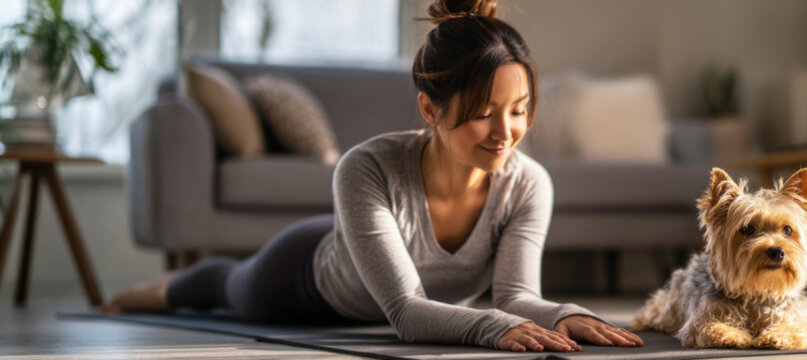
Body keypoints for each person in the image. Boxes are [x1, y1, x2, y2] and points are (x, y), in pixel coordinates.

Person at [102, 0, 644, 352]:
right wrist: (491, 327)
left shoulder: (529, 183)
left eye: (520, 109)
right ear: (430, 110)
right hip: (305, 277)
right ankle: (142, 292)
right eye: (483, 112)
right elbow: (406, 313)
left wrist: (565, 316)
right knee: (221, 285)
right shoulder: (366, 167)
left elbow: (517, 295)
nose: (506, 131)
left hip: (363, 248)